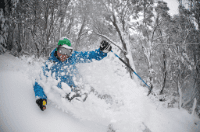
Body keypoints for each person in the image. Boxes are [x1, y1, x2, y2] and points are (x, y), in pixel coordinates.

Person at [33, 38, 112, 111]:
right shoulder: (49, 65)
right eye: (62, 51)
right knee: (90, 103)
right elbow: (39, 82)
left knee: (97, 96)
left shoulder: (72, 57)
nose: (64, 55)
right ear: (57, 49)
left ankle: (112, 108)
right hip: (70, 94)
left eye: (67, 52)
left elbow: (89, 56)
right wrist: (41, 98)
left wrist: (101, 51)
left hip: (81, 86)